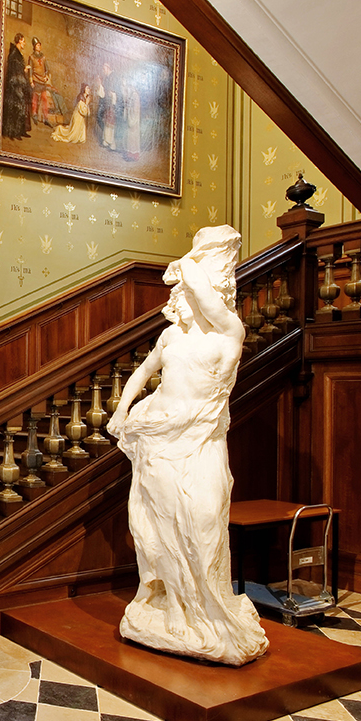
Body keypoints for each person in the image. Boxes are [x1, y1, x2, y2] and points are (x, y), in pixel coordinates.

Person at [105, 225, 269, 666]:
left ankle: (211, 611)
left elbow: (209, 298)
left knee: (203, 524)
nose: (190, 299)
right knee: (159, 528)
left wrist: (191, 262)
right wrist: (122, 409)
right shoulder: (172, 336)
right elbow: (142, 374)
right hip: (159, 432)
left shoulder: (229, 332)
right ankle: (173, 604)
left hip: (201, 437)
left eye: (199, 290)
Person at [0, 33, 32, 140]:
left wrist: (23, 70)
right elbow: (14, 72)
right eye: (23, 40)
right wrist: (24, 70)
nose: (24, 43)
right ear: (19, 41)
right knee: (16, 108)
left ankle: (20, 131)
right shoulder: (14, 54)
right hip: (14, 86)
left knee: (21, 107)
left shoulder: (18, 54)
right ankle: (14, 132)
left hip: (18, 84)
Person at [28, 37, 66, 127]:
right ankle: (34, 115)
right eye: (37, 45)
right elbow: (30, 70)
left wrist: (46, 76)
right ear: (34, 46)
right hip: (35, 80)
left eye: (39, 45)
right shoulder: (31, 57)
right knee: (35, 98)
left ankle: (46, 118)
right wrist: (31, 81)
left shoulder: (43, 56)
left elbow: (47, 68)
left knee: (44, 99)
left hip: (42, 80)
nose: (39, 46)